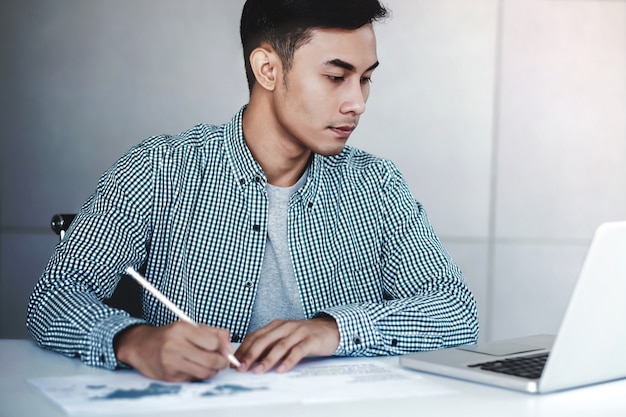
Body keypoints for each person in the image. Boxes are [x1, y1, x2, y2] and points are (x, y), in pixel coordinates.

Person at [27, 0, 479, 383]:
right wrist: (132, 340)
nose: (356, 103)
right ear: (267, 68)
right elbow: (53, 297)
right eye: (336, 76)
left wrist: (337, 330)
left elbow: (457, 312)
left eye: (365, 78)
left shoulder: (376, 184)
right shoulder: (160, 169)